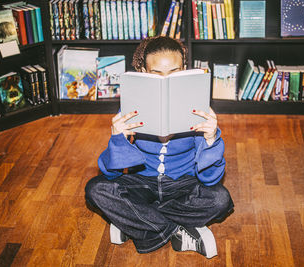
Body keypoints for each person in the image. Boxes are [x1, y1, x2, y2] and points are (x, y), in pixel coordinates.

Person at [85, 36, 234, 259]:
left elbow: (210, 180)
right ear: (144, 72)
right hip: (142, 183)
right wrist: (117, 139)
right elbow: (110, 173)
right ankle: (178, 231)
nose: (166, 81)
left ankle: (136, 223)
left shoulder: (200, 108)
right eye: (157, 75)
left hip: (183, 185)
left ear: (184, 69)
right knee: (95, 190)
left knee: (220, 199)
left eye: (174, 73)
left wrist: (212, 139)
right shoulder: (129, 109)